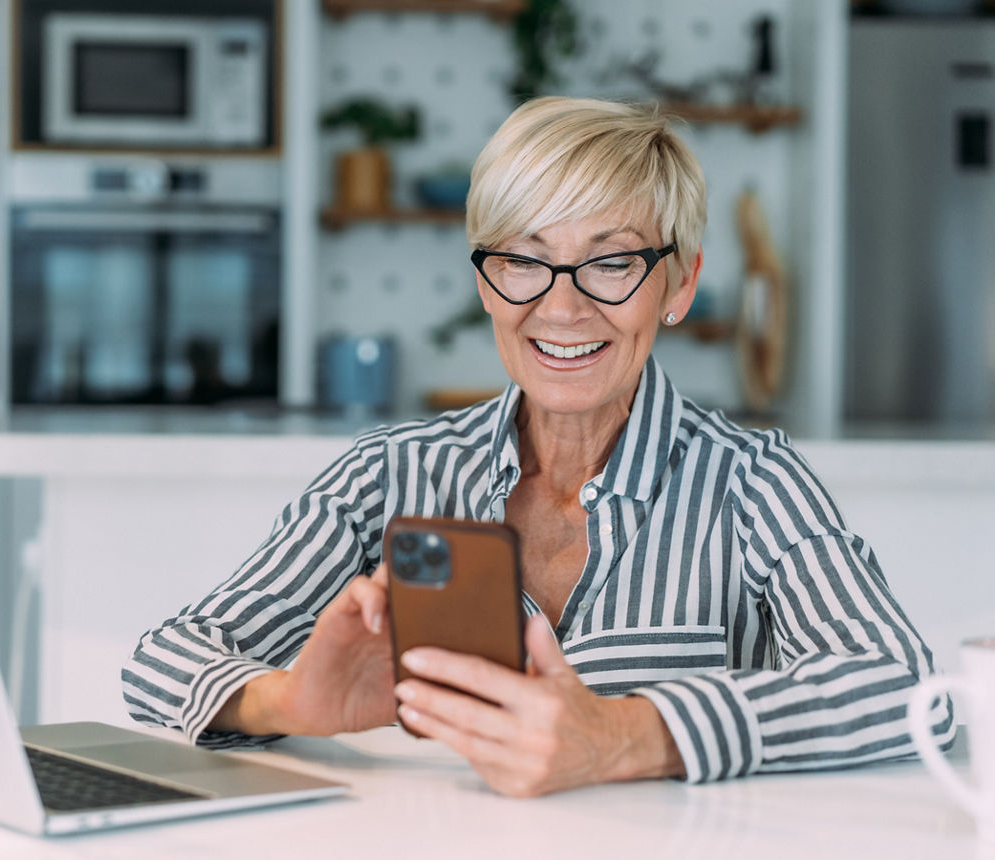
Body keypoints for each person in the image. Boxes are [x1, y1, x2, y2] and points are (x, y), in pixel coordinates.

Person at [122, 96, 955, 795]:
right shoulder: (390, 473)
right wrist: (288, 704)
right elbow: (161, 662)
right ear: (486, 280)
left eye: (613, 262)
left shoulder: (752, 482)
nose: (561, 308)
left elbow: (909, 687)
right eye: (524, 260)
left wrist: (629, 733)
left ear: (679, 285)